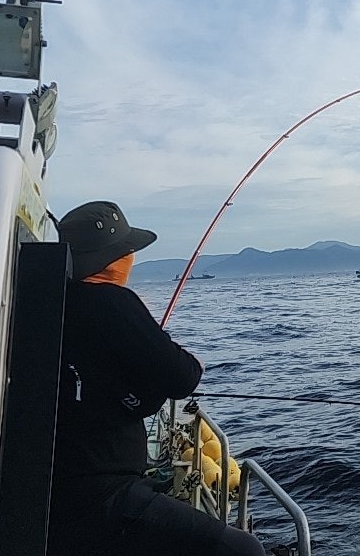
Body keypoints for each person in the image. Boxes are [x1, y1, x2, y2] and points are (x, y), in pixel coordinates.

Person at [48, 201, 265, 556]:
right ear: (113, 260)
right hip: (103, 496)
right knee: (244, 550)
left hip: (60, 489)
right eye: (127, 251)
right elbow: (183, 376)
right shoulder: (111, 302)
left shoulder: (57, 303)